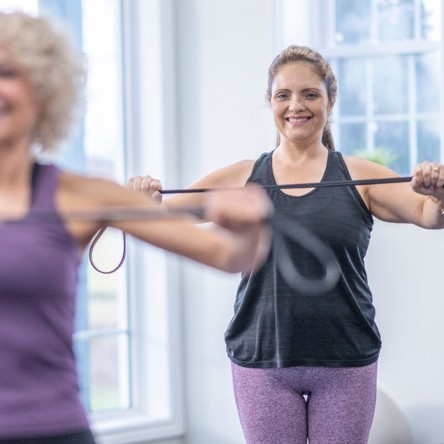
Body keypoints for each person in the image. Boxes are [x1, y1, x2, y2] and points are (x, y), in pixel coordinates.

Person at [128, 44, 444, 444]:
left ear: (330, 101)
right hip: (262, 361)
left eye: (310, 94)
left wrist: (438, 193)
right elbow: (165, 215)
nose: (297, 105)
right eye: (284, 95)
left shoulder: (359, 175)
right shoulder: (244, 175)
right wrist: (141, 199)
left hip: (345, 360)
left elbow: (429, 215)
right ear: (271, 102)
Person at [0, 11, 273, 444]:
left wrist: (246, 227)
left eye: (7, 73)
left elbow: (229, 256)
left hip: (49, 429)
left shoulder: (80, 195)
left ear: (43, 90)